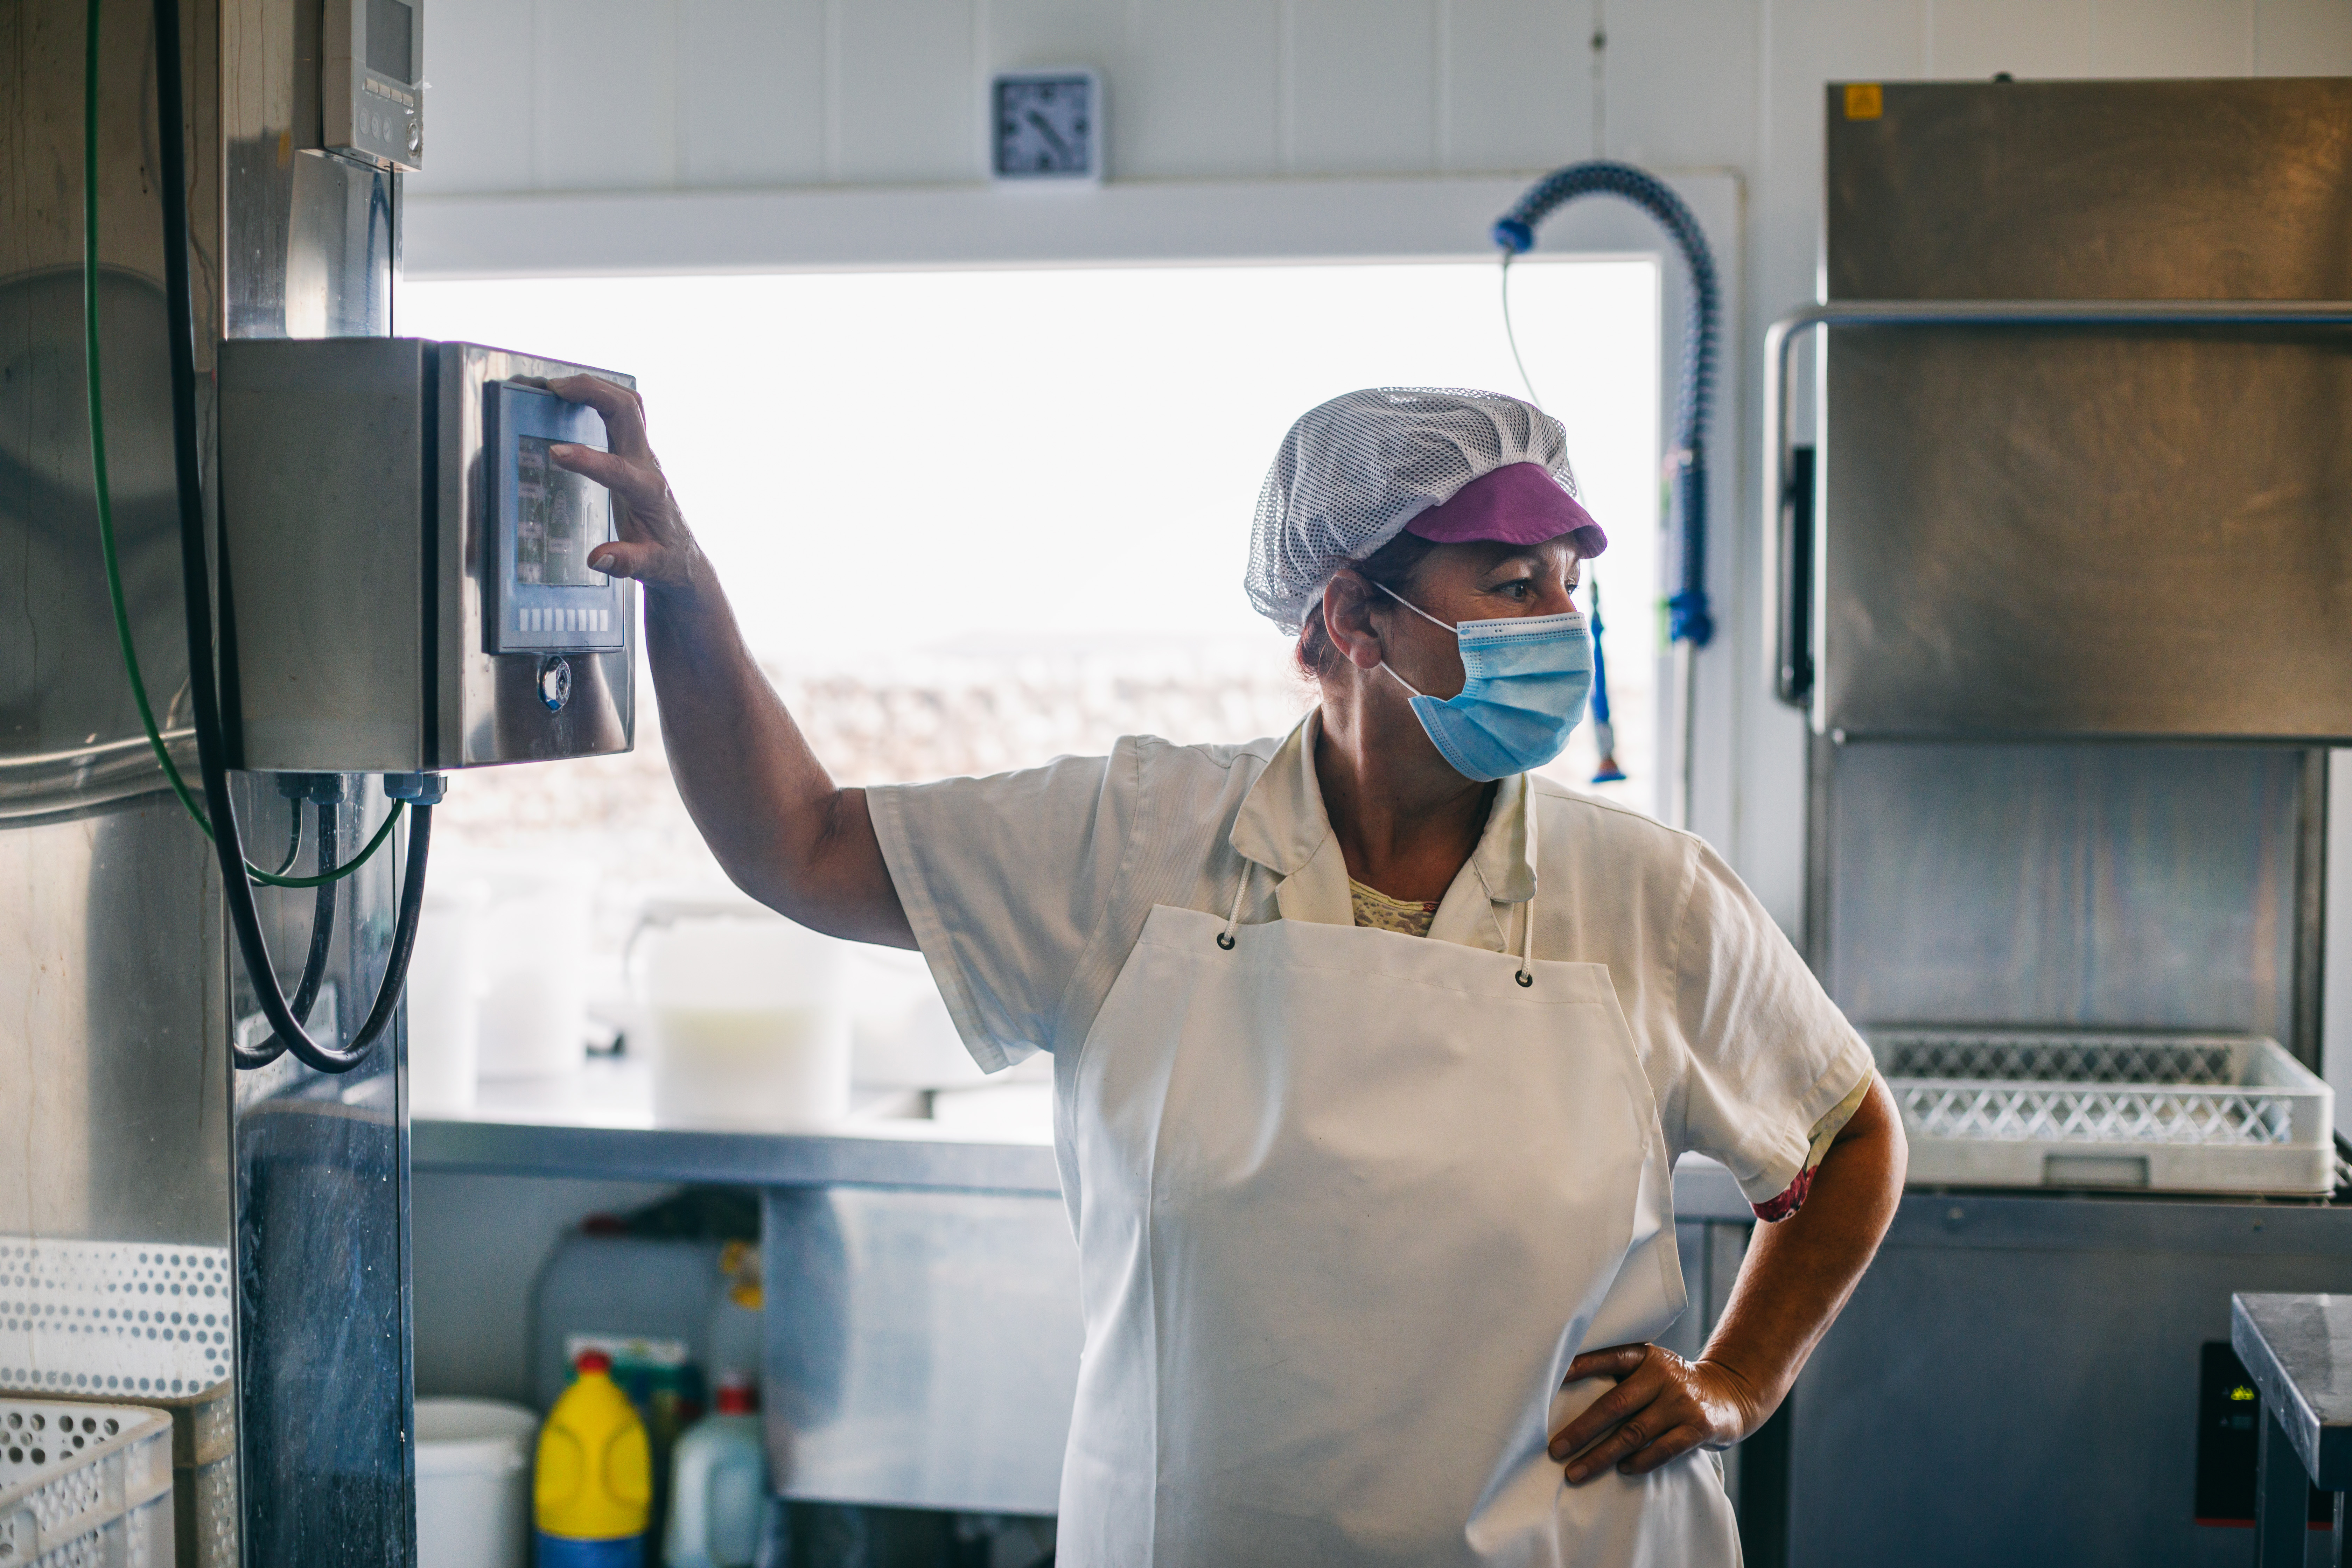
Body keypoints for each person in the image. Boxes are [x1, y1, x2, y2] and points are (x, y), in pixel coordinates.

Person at [546, 378, 1906, 1567]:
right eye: (1511, 584)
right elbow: (803, 843)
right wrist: (685, 596)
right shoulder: (1131, 846)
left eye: (1569, 580)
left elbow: (1848, 1134)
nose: (1563, 621)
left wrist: (1737, 1380)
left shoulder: (1650, 895)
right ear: (1353, 617)